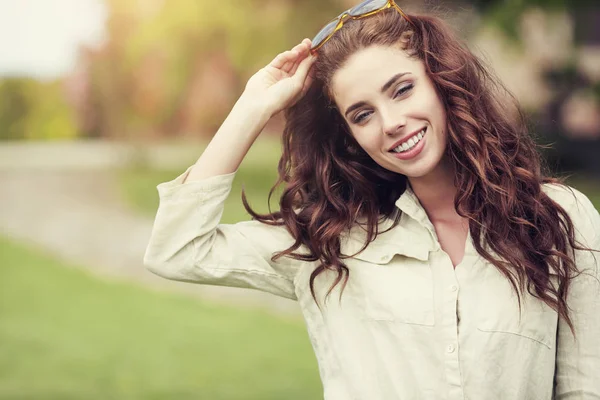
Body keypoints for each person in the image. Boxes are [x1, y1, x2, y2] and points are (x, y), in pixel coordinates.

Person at [144, 0, 600, 398]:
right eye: (363, 114)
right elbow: (177, 248)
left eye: (402, 90)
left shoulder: (560, 217)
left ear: (442, 82)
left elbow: (585, 385)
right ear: (349, 135)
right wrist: (252, 106)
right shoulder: (331, 239)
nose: (391, 122)